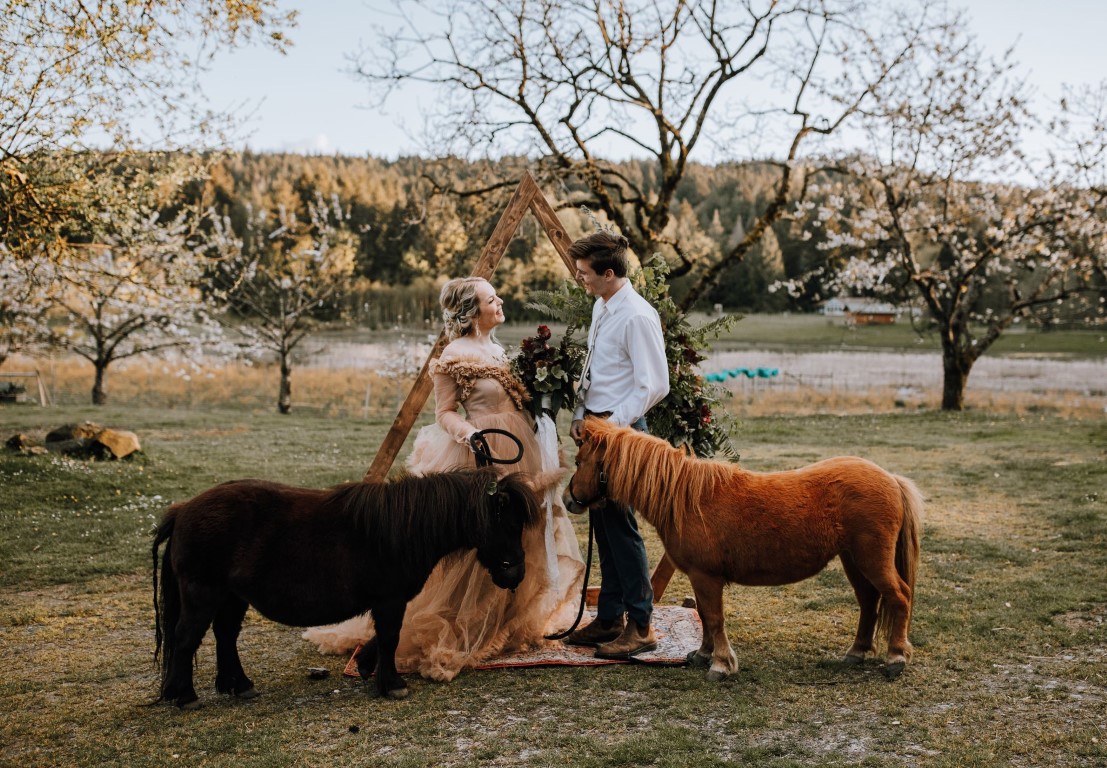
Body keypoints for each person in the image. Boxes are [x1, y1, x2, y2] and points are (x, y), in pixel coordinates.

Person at [303, 277, 585, 681]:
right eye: (492, 299)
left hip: (521, 447)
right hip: (480, 451)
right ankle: (448, 626)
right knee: (471, 543)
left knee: (516, 532)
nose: (500, 301)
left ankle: (498, 622)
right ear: (472, 313)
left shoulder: (499, 349)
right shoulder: (454, 354)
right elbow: (444, 412)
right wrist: (469, 433)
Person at [565, 230, 670, 659]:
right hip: (597, 428)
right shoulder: (601, 304)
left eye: (585, 272)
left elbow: (655, 384)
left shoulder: (637, 317)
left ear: (609, 273)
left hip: (622, 433)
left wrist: (610, 425)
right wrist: (579, 415)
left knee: (622, 529)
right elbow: (594, 369)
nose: (580, 278)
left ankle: (641, 625)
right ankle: (609, 618)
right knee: (603, 527)